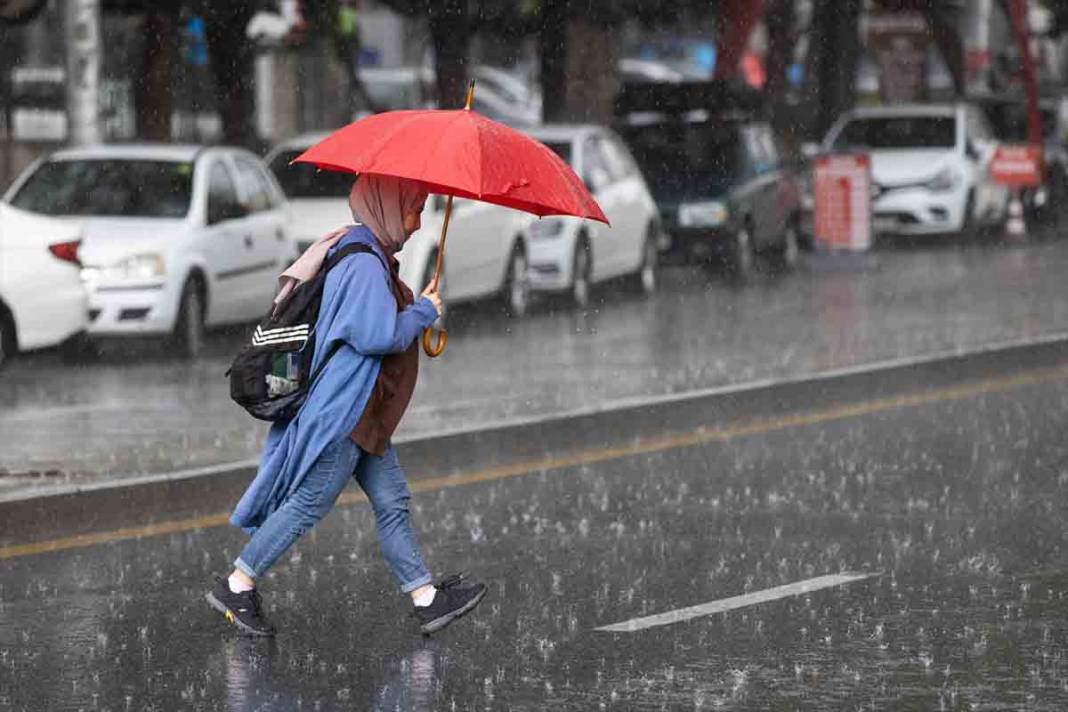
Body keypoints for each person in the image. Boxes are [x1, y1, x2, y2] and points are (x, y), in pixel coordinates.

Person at [206, 174, 486, 637]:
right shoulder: (362, 265)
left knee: (392, 501)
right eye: (413, 209)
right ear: (387, 207)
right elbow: (377, 336)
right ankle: (239, 582)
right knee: (309, 504)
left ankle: (426, 599)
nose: (417, 222)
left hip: (365, 410)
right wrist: (423, 312)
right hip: (346, 410)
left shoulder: (363, 252)